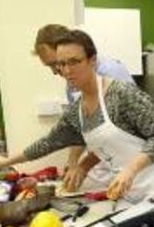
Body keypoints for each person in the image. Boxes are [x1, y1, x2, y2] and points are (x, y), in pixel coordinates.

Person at [0, 29, 154, 227]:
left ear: (92, 60)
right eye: (61, 64)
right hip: (125, 187)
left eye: (74, 62)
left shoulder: (121, 94)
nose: (66, 70)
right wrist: (5, 162)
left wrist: (130, 170)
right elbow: (48, 143)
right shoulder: (77, 110)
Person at [33, 24, 134, 192]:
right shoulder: (72, 83)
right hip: (106, 161)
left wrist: (83, 165)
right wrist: (72, 162)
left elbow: (124, 130)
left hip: (131, 165)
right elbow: (79, 128)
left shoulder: (111, 72)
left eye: (54, 64)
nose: (55, 71)